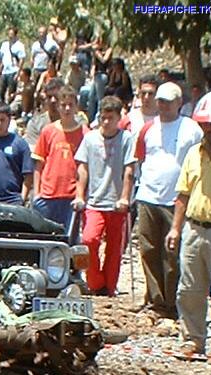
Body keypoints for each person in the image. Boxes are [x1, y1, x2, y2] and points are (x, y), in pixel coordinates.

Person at [134, 82, 203, 319]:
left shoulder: (191, 129)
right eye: (160, 101)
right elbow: (141, 159)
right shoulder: (148, 129)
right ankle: (157, 301)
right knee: (148, 249)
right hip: (148, 195)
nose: (162, 105)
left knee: (172, 253)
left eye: (168, 101)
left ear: (179, 103)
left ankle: (173, 302)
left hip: (176, 197)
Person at [165, 91, 211, 356]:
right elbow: (183, 194)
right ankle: (194, 340)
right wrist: (175, 227)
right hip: (194, 229)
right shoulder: (194, 154)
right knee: (190, 289)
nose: (209, 130)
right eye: (205, 125)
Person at [74, 96, 136, 296]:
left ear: (119, 117)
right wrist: (79, 195)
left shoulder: (126, 139)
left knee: (115, 248)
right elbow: (82, 168)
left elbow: (129, 171)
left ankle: (109, 286)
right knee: (89, 240)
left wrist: (125, 197)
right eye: (103, 117)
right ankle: (96, 282)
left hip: (116, 202)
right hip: (95, 201)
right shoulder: (90, 138)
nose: (106, 122)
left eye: (111, 118)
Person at [32, 85, 88, 235]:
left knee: (69, 240)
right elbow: (39, 163)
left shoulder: (85, 133)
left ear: (77, 106)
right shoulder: (48, 131)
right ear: (57, 107)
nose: (67, 109)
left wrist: (82, 194)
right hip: (48, 194)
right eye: (63, 105)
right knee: (44, 238)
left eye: (71, 105)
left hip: (71, 196)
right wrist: (36, 193)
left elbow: (87, 167)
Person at [24, 78, 86, 151]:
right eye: (49, 97)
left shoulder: (79, 124)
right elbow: (34, 152)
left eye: (56, 97)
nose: (52, 101)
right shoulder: (35, 124)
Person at [0, 27, 26, 103]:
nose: (10, 36)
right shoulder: (4, 44)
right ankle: (1, 106)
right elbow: (1, 59)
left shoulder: (19, 45)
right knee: (1, 91)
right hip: (4, 71)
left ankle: (10, 107)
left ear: (15, 35)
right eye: (9, 34)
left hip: (13, 71)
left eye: (12, 34)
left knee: (11, 92)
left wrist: (18, 73)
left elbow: (22, 59)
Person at [89, 37, 112, 122]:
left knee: (100, 98)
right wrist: (92, 71)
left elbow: (104, 60)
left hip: (103, 75)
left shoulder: (108, 50)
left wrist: (97, 53)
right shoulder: (96, 52)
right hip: (96, 75)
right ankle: (90, 118)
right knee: (91, 96)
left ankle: (98, 118)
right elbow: (94, 63)